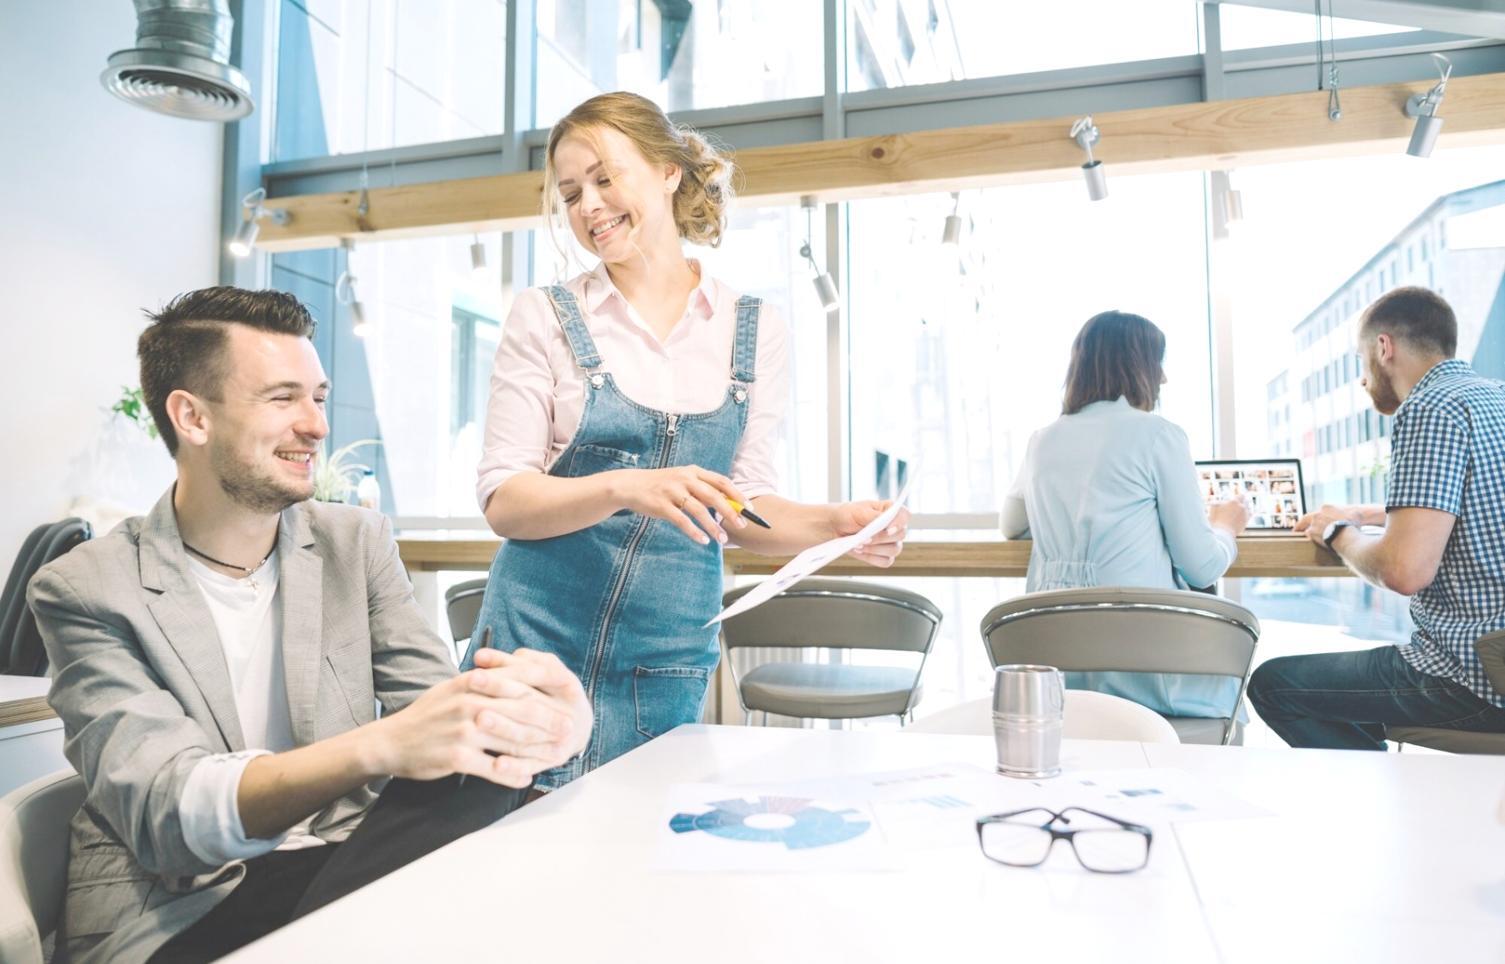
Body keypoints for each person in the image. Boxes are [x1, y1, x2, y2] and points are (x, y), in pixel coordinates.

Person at [28, 287, 593, 964]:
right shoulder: (85, 588)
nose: (316, 425)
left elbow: (439, 719)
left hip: (338, 868)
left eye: (318, 397)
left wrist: (546, 724)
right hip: (177, 907)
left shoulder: (354, 544)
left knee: (483, 784)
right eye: (282, 397)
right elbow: (169, 817)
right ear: (192, 417)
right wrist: (378, 747)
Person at [469, 92, 909, 790]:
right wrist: (625, 485)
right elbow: (505, 498)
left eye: (605, 178)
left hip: (663, 662)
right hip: (534, 650)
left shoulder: (753, 327)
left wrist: (833, 525)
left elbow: (743, 505)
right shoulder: (544, 316)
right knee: (508, 868)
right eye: (571, 191)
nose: (588, 206)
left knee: (638, 868)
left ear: (669, 172)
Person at [1248, 287, 1505, 749]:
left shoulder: (1428, 407)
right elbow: (1469, 503)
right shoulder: (1493, 398)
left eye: (1359, 361)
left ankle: (1374, 811)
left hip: (1475, 675)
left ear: (1383, 348)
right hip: (1497, 664)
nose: (1362, 380)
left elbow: (1404, 570)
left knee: (1274, 685)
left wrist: (1335, 531)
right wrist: (1367, 513)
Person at [1001, 310, 1250, 721]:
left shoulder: (1042, 441)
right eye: (1159, 364)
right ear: (1140, 368)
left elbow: (1011, 525)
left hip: (1062, 675)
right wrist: (1226, 524)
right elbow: (1202, 566)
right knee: (1235, 679)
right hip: (1143, 671)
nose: (1164, 379)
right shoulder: (1158, 435)